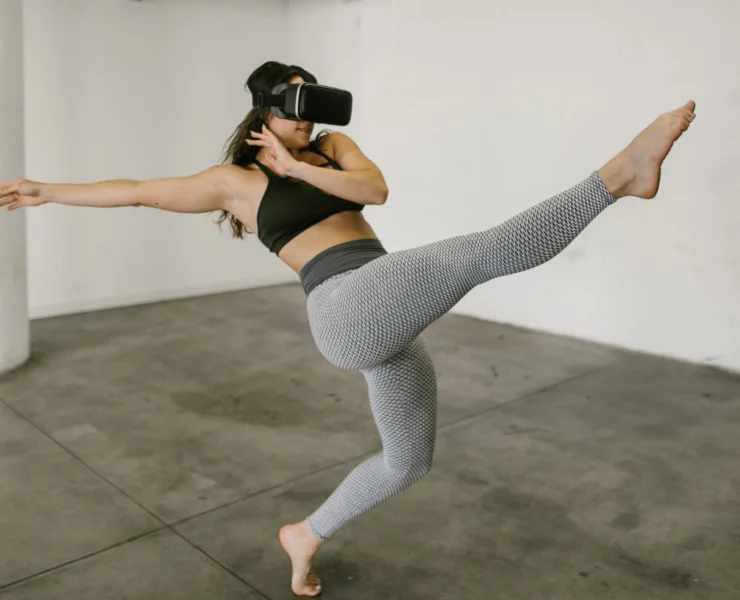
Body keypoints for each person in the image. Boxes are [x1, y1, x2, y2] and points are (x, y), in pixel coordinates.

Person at [0, 60, 697, 596]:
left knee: (408, 460)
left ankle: (304, 534)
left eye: (313, 102)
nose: (308, 117)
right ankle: (619, 175)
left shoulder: (334, 150)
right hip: (344, 307)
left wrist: (299, 163)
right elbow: (137, 192)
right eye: (295, 106)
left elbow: (375, 192)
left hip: (380, 299)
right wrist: (46, 191)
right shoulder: (233, 183)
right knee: (483, 251)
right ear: (265, 113)